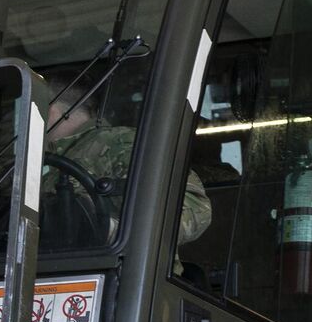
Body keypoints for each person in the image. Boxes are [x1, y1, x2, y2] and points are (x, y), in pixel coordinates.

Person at [41, 75, 212, 259]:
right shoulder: (53, 165)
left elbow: (194, 209)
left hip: (120, 279)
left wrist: (106, 229)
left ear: (49, 111)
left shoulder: (119, 143)